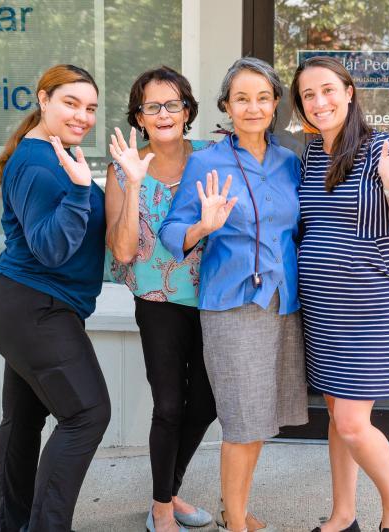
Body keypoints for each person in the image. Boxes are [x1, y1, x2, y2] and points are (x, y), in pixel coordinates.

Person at [159, 57, 308, 532]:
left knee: (261, 418)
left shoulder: (290, 161)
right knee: (242, 422)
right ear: (226, 104)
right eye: (242, 98)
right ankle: (237, 523)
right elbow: (170, 232)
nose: (253, 107)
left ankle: (233, 508)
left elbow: (300, 230)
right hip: (232, 306)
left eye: (263, 97)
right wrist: (203, 225)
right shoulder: (206, 161)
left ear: (275, 105)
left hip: (282, 303)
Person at [290, 56, 389, 532]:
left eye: (328, 90)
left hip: (371, 308)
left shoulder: (382, 150)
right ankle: (343, 514)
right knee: (335, 414)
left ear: (348, 92)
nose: (319, 101)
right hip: (324, 309)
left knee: (351, 422)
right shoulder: (309, 155)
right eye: (308, 94)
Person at [0, 64, 110, 532]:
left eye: (90, 107)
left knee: (23, 418)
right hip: (35, 306)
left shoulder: (53, 154)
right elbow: (51, 248)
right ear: (44, 99)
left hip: (21, 306)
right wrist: (80, 191)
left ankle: (12, 526)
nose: (82, 116)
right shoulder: (37, 163)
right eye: (71, 103)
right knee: (87, 414)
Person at [104, 66, 217, 532]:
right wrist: (134, 182)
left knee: (207, 404)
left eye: (173, 104)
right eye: (153, 106)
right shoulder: (122, 168)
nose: (164, 113)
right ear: (139, 116)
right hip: (158, 301)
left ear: (187, 111)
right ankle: (163, 506)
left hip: (214, 298)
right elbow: (125, 250)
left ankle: (168, 492)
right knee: (169, 405)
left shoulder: (213, 156)